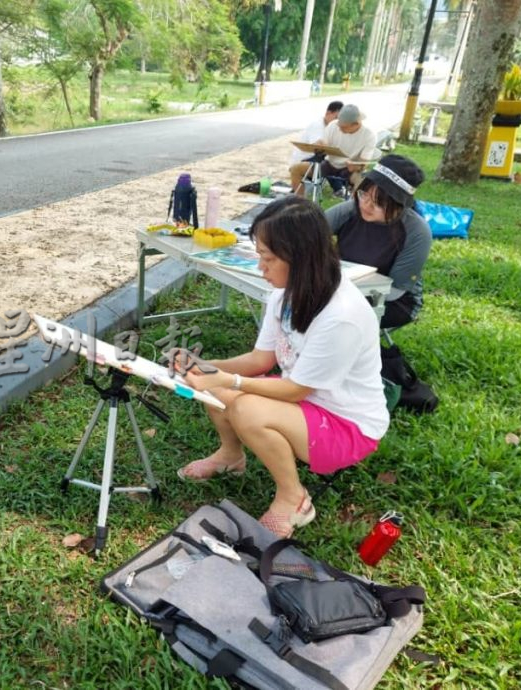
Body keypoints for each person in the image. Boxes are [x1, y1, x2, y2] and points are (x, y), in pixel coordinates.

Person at [173, 197, 389, 538]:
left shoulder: (342, 314)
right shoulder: (286, 293)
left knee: (244, 407)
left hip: (347, 424)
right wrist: (207, 367)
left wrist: (230, 379)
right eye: (260, 256)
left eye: (268, 258)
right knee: (217, 387)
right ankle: (230, 455)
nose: (262, 268)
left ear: (300, 258)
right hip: (306, 401)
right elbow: (262, 360)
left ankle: (294, 497)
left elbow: (295, 389)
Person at [325, 155, 431, 329]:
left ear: (399, 205)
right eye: (364, 194)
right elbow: (310, 234)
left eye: (378, 203)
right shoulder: (351, 210)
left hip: (393, 300)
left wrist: (338, 294)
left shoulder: (417, 232)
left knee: (332, 316)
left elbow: (395, 290)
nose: (366, 205)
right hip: (340, 287)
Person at [289, 104, 380, 196]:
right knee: (296, 169)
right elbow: (324, 144)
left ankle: (352, 207)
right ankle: (300, 201)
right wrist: (320, 145)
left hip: (348, 169)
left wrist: (356, 166)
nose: (339, 129)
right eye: (339, 125)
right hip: (329, 164)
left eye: (343, 127)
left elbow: (363, 163)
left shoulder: (369, 135)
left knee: (361, 181)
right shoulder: (333, 125)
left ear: (356, 124)